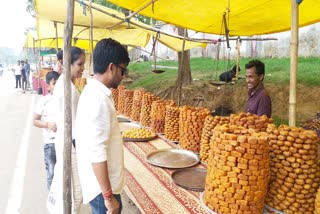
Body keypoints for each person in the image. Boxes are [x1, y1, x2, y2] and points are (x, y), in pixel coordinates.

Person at [75, 38, 129, 214]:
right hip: (102, 190)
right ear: (111, 67)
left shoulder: (94, 93)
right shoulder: (97, 100)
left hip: (100, 187)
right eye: (123, 70)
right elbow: (97, 153)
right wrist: (108, 197)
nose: (123, 76)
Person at [47, 47, 88, 214]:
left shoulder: (68, 84)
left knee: (73, 192)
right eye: (80, 64)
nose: (83, 68)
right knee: (73, 193)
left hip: (68, 143)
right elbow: (70, 123)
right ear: (67, 64)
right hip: (68, 145)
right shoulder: (66, 89)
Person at [33, 71, 60, 190]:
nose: (58, 86)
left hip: (64, 141)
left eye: (59, 83)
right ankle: (52, 200)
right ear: (48, 86)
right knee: (52, 173)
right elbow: (35, 121)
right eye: (55, 83)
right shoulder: (44, 101)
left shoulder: (65, 99)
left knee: (65, 173)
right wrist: (47, 124)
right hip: (50, 143)